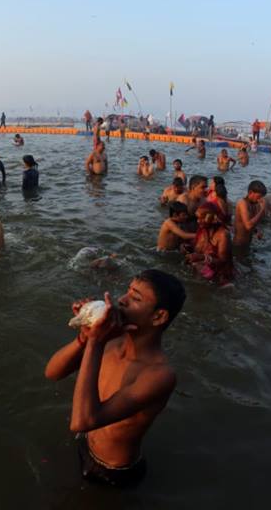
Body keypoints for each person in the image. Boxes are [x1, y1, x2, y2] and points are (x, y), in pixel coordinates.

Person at [44, 270, 185, 487]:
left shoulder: (159, 375)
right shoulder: (112, 338)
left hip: (114, 471)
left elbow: (82, 422)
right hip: (86, 444)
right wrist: (84, 336)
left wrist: (95, 342)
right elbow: (53, 373)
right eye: (127, 291)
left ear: (159, 316)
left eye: (136, 298)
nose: (122, 300)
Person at [187, 201, 235, 285]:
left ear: (212, 218)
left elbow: (223, 261)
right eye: (197, 218)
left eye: (201, 218)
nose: (198, 221)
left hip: (218, 277)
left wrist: (202, 257)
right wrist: (187, 247)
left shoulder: (223, 234)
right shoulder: (202, 229)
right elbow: (197, 247)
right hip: (201, 270)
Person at [233, 181, 267, 252]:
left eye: (261, 197)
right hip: (238, 245)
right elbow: (248, 226)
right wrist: (262, 210)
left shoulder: (254, 204)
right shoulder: (242, 203)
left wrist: (256, 232)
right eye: (259, 197)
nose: (259, 200)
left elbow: (252, 222)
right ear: (250, 192)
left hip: (248, 244)